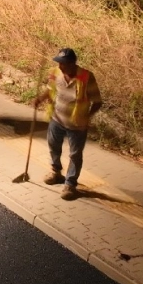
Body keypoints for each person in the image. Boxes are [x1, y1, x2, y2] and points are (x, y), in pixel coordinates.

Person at [35, 47, 104, 199]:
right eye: (59, 63)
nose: (60, 66)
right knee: (53, 146)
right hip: (57, 119)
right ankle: (55, 171)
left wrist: (88, 116)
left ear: (73, 63)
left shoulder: (87, 77)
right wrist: (40, 99)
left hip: (77, 125)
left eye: (63, 64)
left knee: (75, 154)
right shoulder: (56, 73)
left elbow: (97, 101)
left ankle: (70, 184)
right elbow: (49, 90)